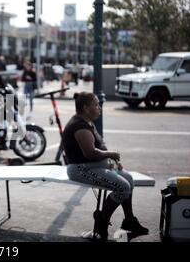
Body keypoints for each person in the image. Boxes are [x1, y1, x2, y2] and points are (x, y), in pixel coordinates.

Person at [62, 92, 149, 241]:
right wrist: (111, 154)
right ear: (85, 108)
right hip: (80, 169)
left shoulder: (88, 122)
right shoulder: (79, 126)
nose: (99, 107)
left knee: (128, 179)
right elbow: (90, 153)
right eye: (96, 104)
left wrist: (113, 161)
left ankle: (129, 221)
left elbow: (100, 146)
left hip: (92, 166)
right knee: (123, 187)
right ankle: (101, 224)